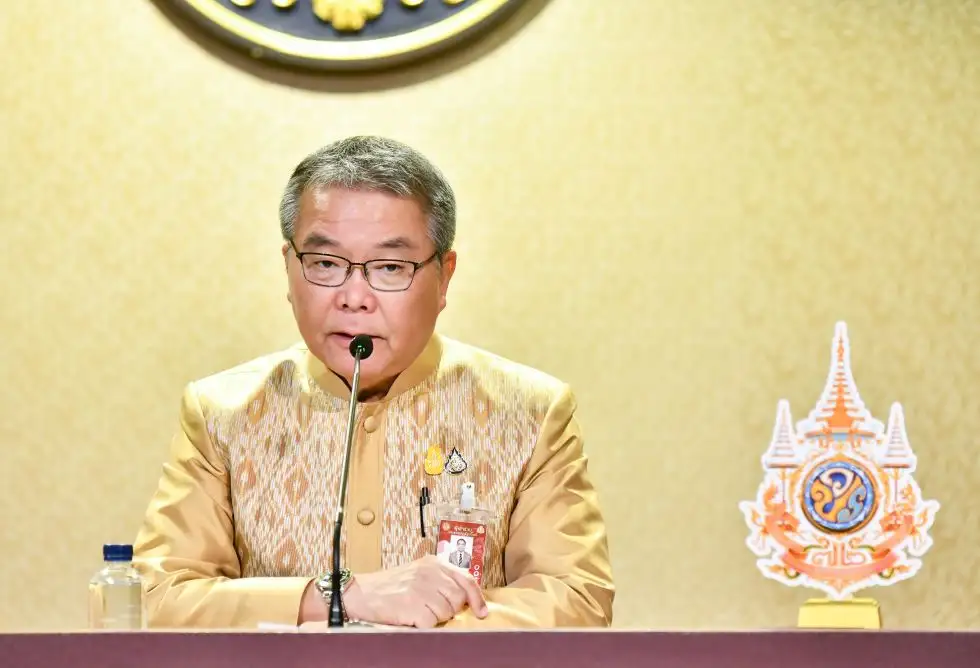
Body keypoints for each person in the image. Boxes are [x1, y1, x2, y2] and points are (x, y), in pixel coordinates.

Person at [132, 135, 614, 630]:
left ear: (444, 277)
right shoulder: (223, 413)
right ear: (289, 267)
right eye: (325, 264)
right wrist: (345, 597)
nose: (354, 297)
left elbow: (577, 602)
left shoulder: (529, 412)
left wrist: (410, 633)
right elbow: (155, 599)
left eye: (389, 268)